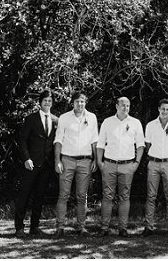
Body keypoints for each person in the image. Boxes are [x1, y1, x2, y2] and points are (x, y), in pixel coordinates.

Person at [96, 97, 145, 237]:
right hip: (109, 164)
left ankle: (123, 228)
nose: (126, 108)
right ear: (116, 106)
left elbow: (140, 145)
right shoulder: (107, 122)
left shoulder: (135, 123)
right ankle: (104, 228)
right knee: (107, 196)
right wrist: (100, 162)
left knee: (125, 197)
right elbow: (100, 144)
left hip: (127, 165)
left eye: (128, 106)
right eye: (123, 105)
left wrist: (136, 163)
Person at [54, 91, 99, 237]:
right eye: (78, 101)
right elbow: (58, 140)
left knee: (82, 196)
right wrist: (57, 160)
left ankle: (81, 227)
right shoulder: (64, 118)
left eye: (82, 101)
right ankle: (60, 227)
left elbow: (94, 140)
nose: (80, 104)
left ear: (85, 103)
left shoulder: (91, 117)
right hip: (67, 160)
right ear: (72, 102)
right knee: (63, 195)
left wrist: (96, 160)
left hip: (86, 161)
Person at [14, 90, 57, 238]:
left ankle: (35, 227)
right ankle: (19, 228)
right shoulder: (31, 119)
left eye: (50, 101)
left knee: (39, 197)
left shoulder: (55, 120)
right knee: (24, 196)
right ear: (40, 102)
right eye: (45, 100)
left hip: (46, 164)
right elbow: (22, 140)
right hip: (31, 163)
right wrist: (26, 158)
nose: (47, 103)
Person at [143, 99, 168, 238]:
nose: (165, 111)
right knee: (151, 196)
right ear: (158, 109)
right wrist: (156, 155)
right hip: (153, 163)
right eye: (163, 109)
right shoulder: (150, 125)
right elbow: (147, 144)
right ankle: (149, 226)